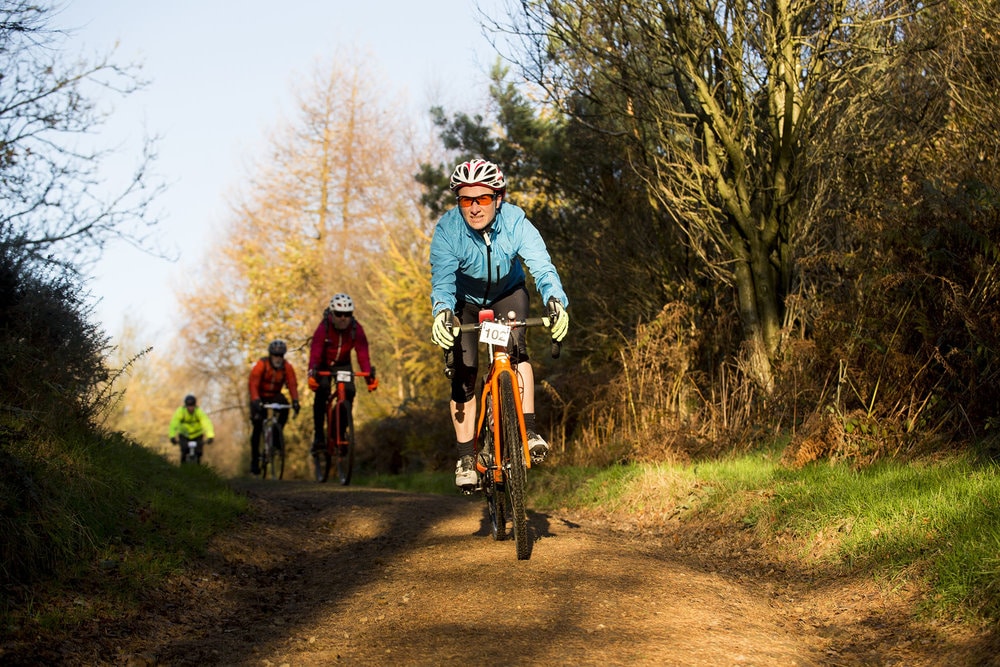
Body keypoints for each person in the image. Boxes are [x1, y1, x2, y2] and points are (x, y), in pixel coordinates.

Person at [429, 158, 569, 488]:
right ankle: (466, 456)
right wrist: (442, 312)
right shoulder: (448, 230)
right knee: (463, 370)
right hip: (465, 302)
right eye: (466, 199)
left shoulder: (516, 221)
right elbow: (443, 281)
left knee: (516, 350)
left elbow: (542, 267)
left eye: (483, 199)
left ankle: (528, 430)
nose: (474, 207)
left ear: (499, 198)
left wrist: (555, 301)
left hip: (508, 293)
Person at [307, 293, 378, 452]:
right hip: (324, 365)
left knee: (349, 392)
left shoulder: (356, 329)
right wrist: (312, 373)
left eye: (347, 314)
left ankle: (339, 430)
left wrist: (368, 376)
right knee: (322, 392)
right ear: (332, 314)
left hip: (343, 364)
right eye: (339, 314)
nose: (343, 318)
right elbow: (316, 352)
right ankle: (319, 437)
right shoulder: (323, 328)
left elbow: (362, 354)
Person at [248, 339, 301, 475]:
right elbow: (253, 382)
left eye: (281, 356)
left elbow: (292, 383)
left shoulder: (286, 366)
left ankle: (276, 437)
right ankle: (255, 461)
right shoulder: (262, 364)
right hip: (259, 395)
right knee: (258, 426)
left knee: (285, 409)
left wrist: (295, 401)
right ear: (270, 355)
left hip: (275, 395)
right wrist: (255, 400)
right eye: (275, 355)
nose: (278, 358)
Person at [168, 394, 215, 463]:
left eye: (192, 406)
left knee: (198, 453)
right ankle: (182, 468)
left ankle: (198, 467)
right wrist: (172, 436)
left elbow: (206, 423)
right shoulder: (180, 411)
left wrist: (210, 436)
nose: (190, 408)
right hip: (184, 435)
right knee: (184, 452)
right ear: (186, 406)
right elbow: (174, 424)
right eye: (188, 406)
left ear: (195, 405)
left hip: (197, 435)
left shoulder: (199, 412)